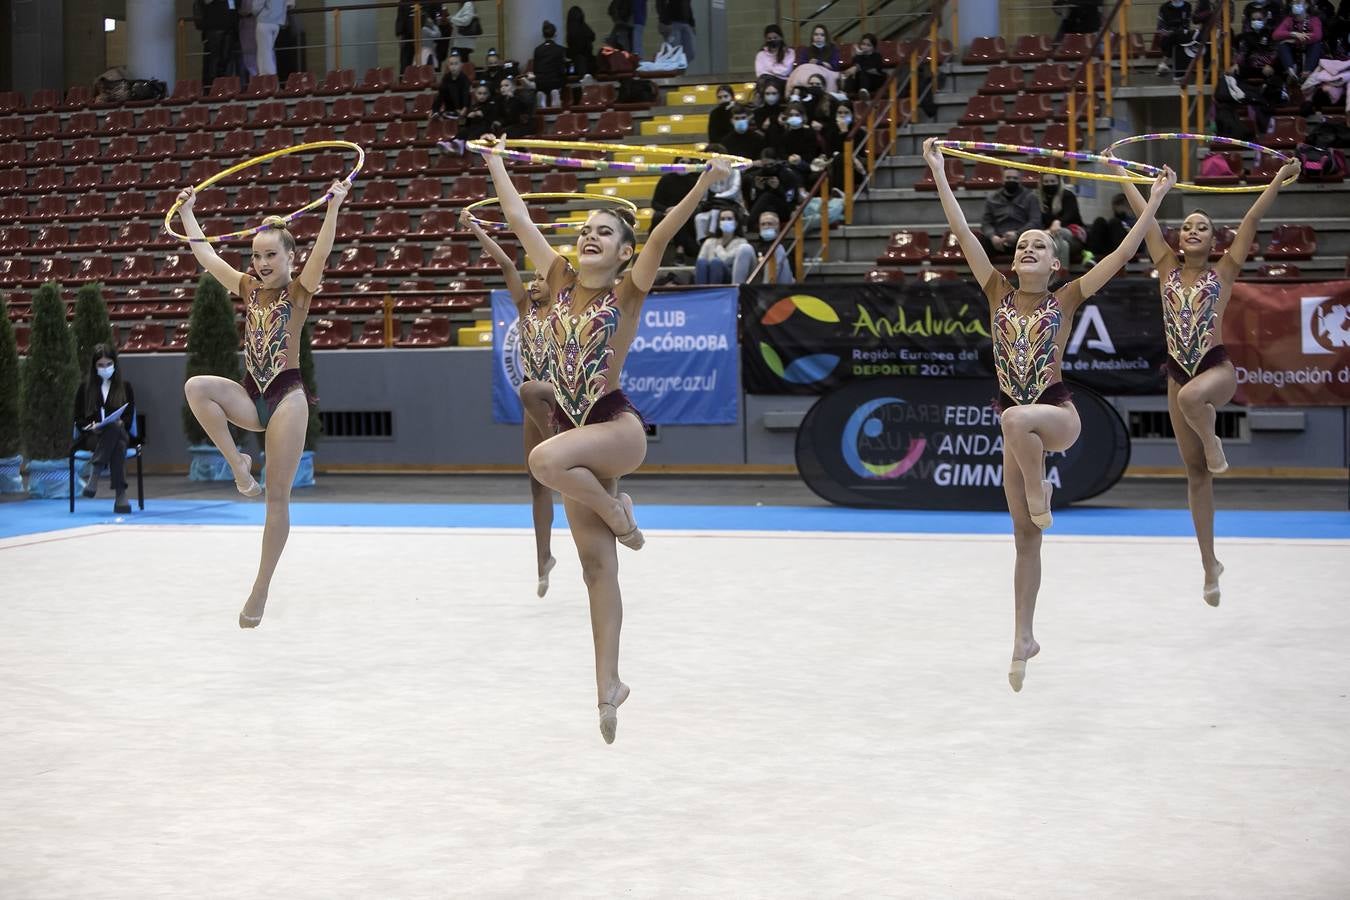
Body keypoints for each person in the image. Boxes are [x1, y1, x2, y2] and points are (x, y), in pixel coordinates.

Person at [478, 133, 730, 743]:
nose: (590, 236)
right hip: (576, 450)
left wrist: (704, 180)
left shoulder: (627, 292)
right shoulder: (559, 279)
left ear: (625, 254)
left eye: (607, 232)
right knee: (595, 568)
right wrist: (495, 162)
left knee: (541, 458)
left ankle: (619, 510)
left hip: (614, 428)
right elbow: (516, 217)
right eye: (586, 228)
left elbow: (667, 230)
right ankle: (608, 686)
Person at [926, 137, 1176, 691]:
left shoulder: (1064, 299)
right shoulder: (995, 292)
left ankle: (1042, 496)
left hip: (1058, 414)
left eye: (1039, 244)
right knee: (1023, 538)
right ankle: (1023, 636)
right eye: (1021, 245)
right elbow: (964, 232)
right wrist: (941, 173)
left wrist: (1154, 201)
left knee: (1015, 420)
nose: (1028, 249)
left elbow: (1120, 256)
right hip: (1019, 435)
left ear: (1055, 262)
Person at [1115, 157, 1300, 608]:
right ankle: (1209, 566)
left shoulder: (1225, 271)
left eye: (1202, 227)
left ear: (1215, 240)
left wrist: (1276, 179)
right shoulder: (1165, 266)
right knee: (1196, 475)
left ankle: (1215, 442)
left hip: (1215, 370)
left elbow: (1252, 218)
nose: (1192, 231)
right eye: (1187, 226)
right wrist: (1121, 175)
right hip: (1176, 373)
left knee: (1197, 399)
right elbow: (1146, 219)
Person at [176, 177, 351, 628]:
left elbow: (324, 253)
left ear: (291, 257)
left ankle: (261, 588)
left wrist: (333, 208)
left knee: (277, 498)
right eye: (256, 255)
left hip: (287, 396)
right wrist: (189, 212)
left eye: (271, 254)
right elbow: (208, 257)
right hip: (252, 392)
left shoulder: (298, 292)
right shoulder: (250, 289)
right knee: (197, 387)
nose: (262, 262)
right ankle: (237, 464)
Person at [461, 209, 558, 596]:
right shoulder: (523, 310)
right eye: (531, 279)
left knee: (531, 392)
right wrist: (476, 229)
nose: (533, 284)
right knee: (537, 483)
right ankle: (543, 559)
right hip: (534, 404)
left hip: (558, 394)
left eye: (540, 279)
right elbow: (503, 262)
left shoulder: (565, 309)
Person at [75, 343, 136, 515]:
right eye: (101, 365)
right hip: (94, 437)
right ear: (94, 367)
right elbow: (78, 419)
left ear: (114, 364)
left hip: (120, 432)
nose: (105, 368)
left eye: (108, 364)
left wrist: (120, 423)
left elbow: (129, 417)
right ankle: (121, 495)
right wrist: (90, 427)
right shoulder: (84, 389)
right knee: (117, 444)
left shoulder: (125, 387)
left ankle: (94, 477)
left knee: (115, 430)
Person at [979, 168, 1041, 258]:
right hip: (998, 238)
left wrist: (1018, 234)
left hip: (1022, 237)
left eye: (1015, 178)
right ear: (1003, 180)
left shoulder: (1030, 197)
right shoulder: (992, 198)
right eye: (1008, 178)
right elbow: (986, 223)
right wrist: (993, 236)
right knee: (980, 243)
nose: (1011, 180)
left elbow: (1035, 221)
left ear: (1020, 180)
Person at [649, 162, 702, 261]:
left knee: (681, 218)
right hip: (666, 211)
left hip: (687, 212)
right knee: (658, 217)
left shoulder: (695, 181)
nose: (684, 165)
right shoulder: (665, 179)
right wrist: (667, 209)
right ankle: (653, 247)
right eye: (681, 161)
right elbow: (655, 203)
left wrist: (680, 210)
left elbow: (698, 202)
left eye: (686, 162)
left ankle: (680, 250)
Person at [1038, 173, 1087, 267]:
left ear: (1059, 182)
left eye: (1052, 181)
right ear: (1041, 183)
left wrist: (1057, 222)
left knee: (1058, 233)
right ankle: (1060, 274)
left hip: (1072, 235)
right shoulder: (1038, 199)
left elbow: (1069, 216)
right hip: (1049, 236)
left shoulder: (1068, 195)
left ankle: (1058, 274)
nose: (1049, 184)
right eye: (1046, 182)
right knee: (1061, 244)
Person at [694, 208, 755, 284]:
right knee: (701, 262)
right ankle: (700, 292)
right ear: (719, 223)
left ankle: (715, 293)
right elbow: (699, 263)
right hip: (707, 277)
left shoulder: (741, 242)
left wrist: (718, 248)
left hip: (729, 278)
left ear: (736, 223)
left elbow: (726, 260)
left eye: (729, 219)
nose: (726, 221)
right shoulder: (709, 241)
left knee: (716, 263)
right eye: (722, 219)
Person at [1274, 1, 1323, 80]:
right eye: (1293, 2)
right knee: (1282, 44)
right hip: (1294, 50)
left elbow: (1317, 36)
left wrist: (1294, 41)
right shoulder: (1288, 20)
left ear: (1306, 5)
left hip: (1309, 49)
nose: (1295, 5)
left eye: (1298, 2)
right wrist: (1294, 34)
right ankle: (1291, 71)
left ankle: (1307, 72)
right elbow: (1276, 35)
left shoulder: (1314, 19)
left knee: (1316, 44)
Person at [194, 0, 240, 85]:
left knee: (226, 60)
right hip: (214, 28)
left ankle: (223, 86)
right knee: (214, 60)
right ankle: (212, 87)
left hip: (229, 28)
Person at [1085, 193, 1137, 259]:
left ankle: (1116, 257)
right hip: (1109, 247)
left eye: (1120, 204)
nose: (1116, 207)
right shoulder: (1114, 220)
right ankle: (1091, 256)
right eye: (1116, 204)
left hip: (1125, 246)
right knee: (1099, 221)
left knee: (1114, 222)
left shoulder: (1133, 220)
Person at [748, 209, 794, 283]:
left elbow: (791, 270)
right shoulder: (753, 247)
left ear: (778, 226)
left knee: (777, 248)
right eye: (763, 224)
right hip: (758, 283)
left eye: (770, 224)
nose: (766, 227)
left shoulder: (788, 244)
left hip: (782, 282)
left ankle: (767, 289)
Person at [533, 21, 568, 108]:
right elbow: (561, 69)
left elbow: (535, 68)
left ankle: (542, 94)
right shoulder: (560, 49)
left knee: (542, 84)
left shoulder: (537, 50)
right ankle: (556, 92)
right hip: (554, 81)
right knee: (559, 80)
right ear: (555, 34)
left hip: (540, 82)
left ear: (543, 35)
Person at [1157, 0, 1196, 78]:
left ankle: (1164, 63)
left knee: (1180, 39)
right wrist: (1170, 32)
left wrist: (1180, 31)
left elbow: (1187, 23)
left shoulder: (1187, 6)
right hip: (1167, 36)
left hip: (1182, 35)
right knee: (1175, 39)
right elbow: (1160, 27)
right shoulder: (1164, 7)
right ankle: (1178, 75)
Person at [840, 33, 885, 97]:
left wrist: (857, 67)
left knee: (863, 73)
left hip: (873, 81)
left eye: (868, 45)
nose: (865, 47)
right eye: (863, 44)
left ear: (873, 47)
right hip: (859, 82)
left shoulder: (877, 56)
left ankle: (864, 91)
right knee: (852, 76)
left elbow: (873, 69)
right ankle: (843, 93)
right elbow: (853, 69)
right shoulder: (857, 57)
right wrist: (859, 56)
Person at [755, 25, 795, 93]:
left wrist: (769, 70)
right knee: (762, 81)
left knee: (771, 83)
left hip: (783, 82)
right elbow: (760, 74)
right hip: (766, 82)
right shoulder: (760, 55)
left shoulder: (789, 52)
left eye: (775, 37)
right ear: (766, 39)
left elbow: (785, 71)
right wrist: (775, 71)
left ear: (781, 37)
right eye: (769, 38)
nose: (772, 40)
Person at [655, 0, 696, 65]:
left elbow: (688, 5)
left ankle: (679, 70)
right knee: (672, 52)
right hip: (672, 24)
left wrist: (692, 24)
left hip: (686, 24)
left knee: (690, 53)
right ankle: (668, 70)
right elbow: (660, 4)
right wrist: (665, 22)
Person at [432, 52, 472, 118]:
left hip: (462, 107)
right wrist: (434, 109)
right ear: (448, 66)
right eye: (451, 64)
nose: (453, 67)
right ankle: (435, 111)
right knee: (442, 90)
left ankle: (457, 111)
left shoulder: (464, 79)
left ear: (461, 65)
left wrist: (464, 109)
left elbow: (466, 95)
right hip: (450, 108)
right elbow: (441, 94)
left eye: (456, 64)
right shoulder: (446, 78)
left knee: (454, 88)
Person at [253, 0, 286, 77]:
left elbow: (256, 6)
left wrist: (255, 13)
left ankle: (267, 76)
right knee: (269, 51)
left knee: (264, 52)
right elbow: (285, 5)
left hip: (264, 21)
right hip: (276, 23)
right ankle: (270, 77)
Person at [566, 5, 596, 78]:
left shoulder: (572, 30)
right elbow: (592, 36)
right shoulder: (585, 27)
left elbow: (576, 50)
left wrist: (566, 52)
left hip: (580, 65)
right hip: (590, 63)